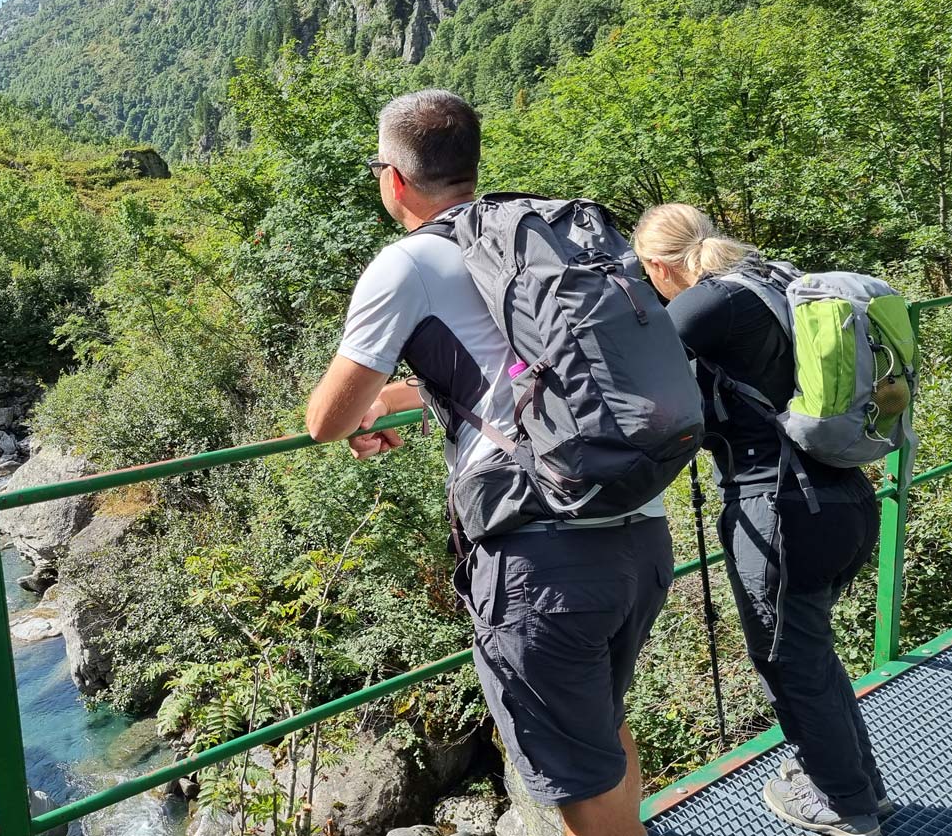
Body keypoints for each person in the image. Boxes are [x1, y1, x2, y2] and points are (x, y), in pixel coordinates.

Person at [304, 89, 672, 836]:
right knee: (601, 731)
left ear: (393, 180)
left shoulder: (405, 264)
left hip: (541, 557)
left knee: (575, 781)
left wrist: (359, 412)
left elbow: (324, 419)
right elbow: (510, 369)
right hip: (637, 528)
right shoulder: (526, 235)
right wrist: (403, 399)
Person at [634, 204, 890, 836]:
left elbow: (625, 371)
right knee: (810, 654)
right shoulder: (771, 280)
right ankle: (860, 788)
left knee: (790, 663)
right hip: (843, 499)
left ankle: (846, 808)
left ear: (661, 264)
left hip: (778, 509)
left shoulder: (704, 303)